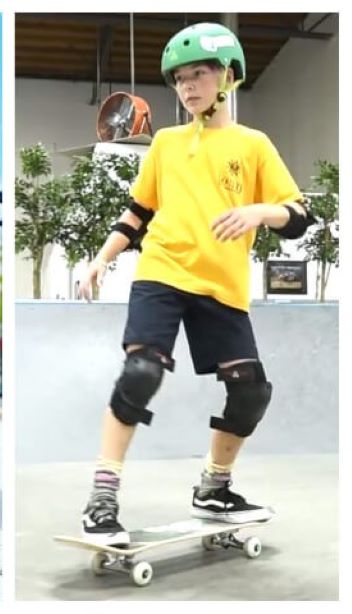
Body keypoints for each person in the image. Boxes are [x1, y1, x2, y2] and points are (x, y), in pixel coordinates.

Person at [76, 23, 314, 545]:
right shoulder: (165, 141)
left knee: (250, 392)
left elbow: (298, 214)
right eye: (180, 79)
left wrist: (257, 210)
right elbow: (138, 211)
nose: (187, 87)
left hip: (221, 287)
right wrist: (100, 259)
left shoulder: (253, 145)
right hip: (162, 273)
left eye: (199, 74)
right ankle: (102, 494)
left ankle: (214, 487)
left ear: (228, 76)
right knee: (142, 372)